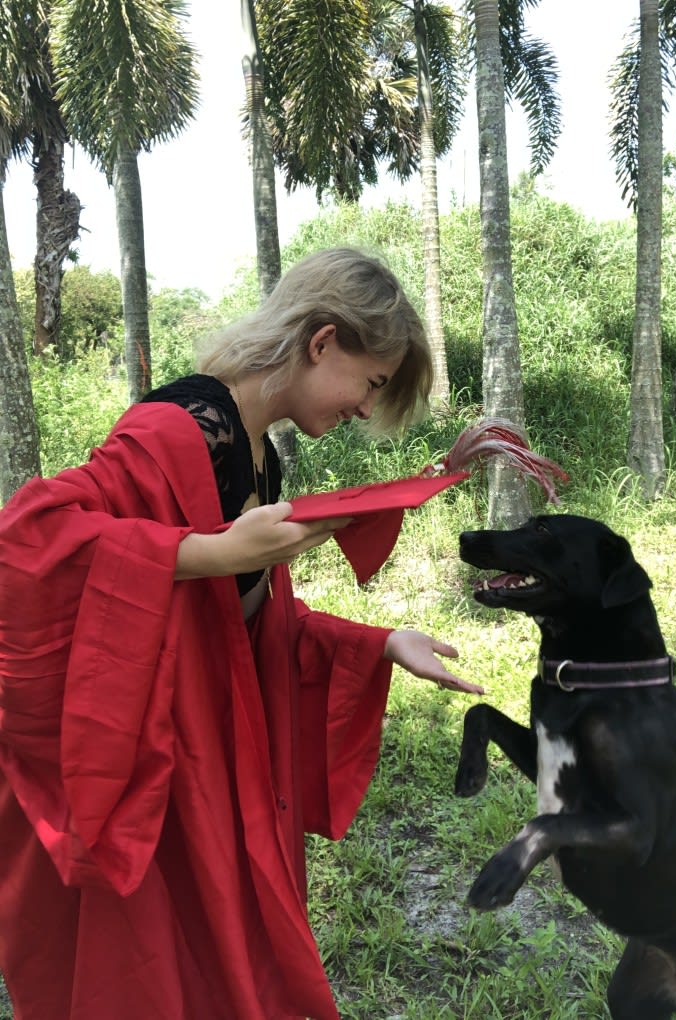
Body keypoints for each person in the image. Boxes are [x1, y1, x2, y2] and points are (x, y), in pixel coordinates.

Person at [0, 247, 483, 1020]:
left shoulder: (259, 456)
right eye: (373, 383)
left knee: (220, 968)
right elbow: (26, 542)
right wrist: (214, 552)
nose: (365, 408)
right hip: (154, 767)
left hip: (211, 760)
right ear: (322, 341)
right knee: (154, 975)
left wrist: (379, 643)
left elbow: (245, 626)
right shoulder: (176, 426)